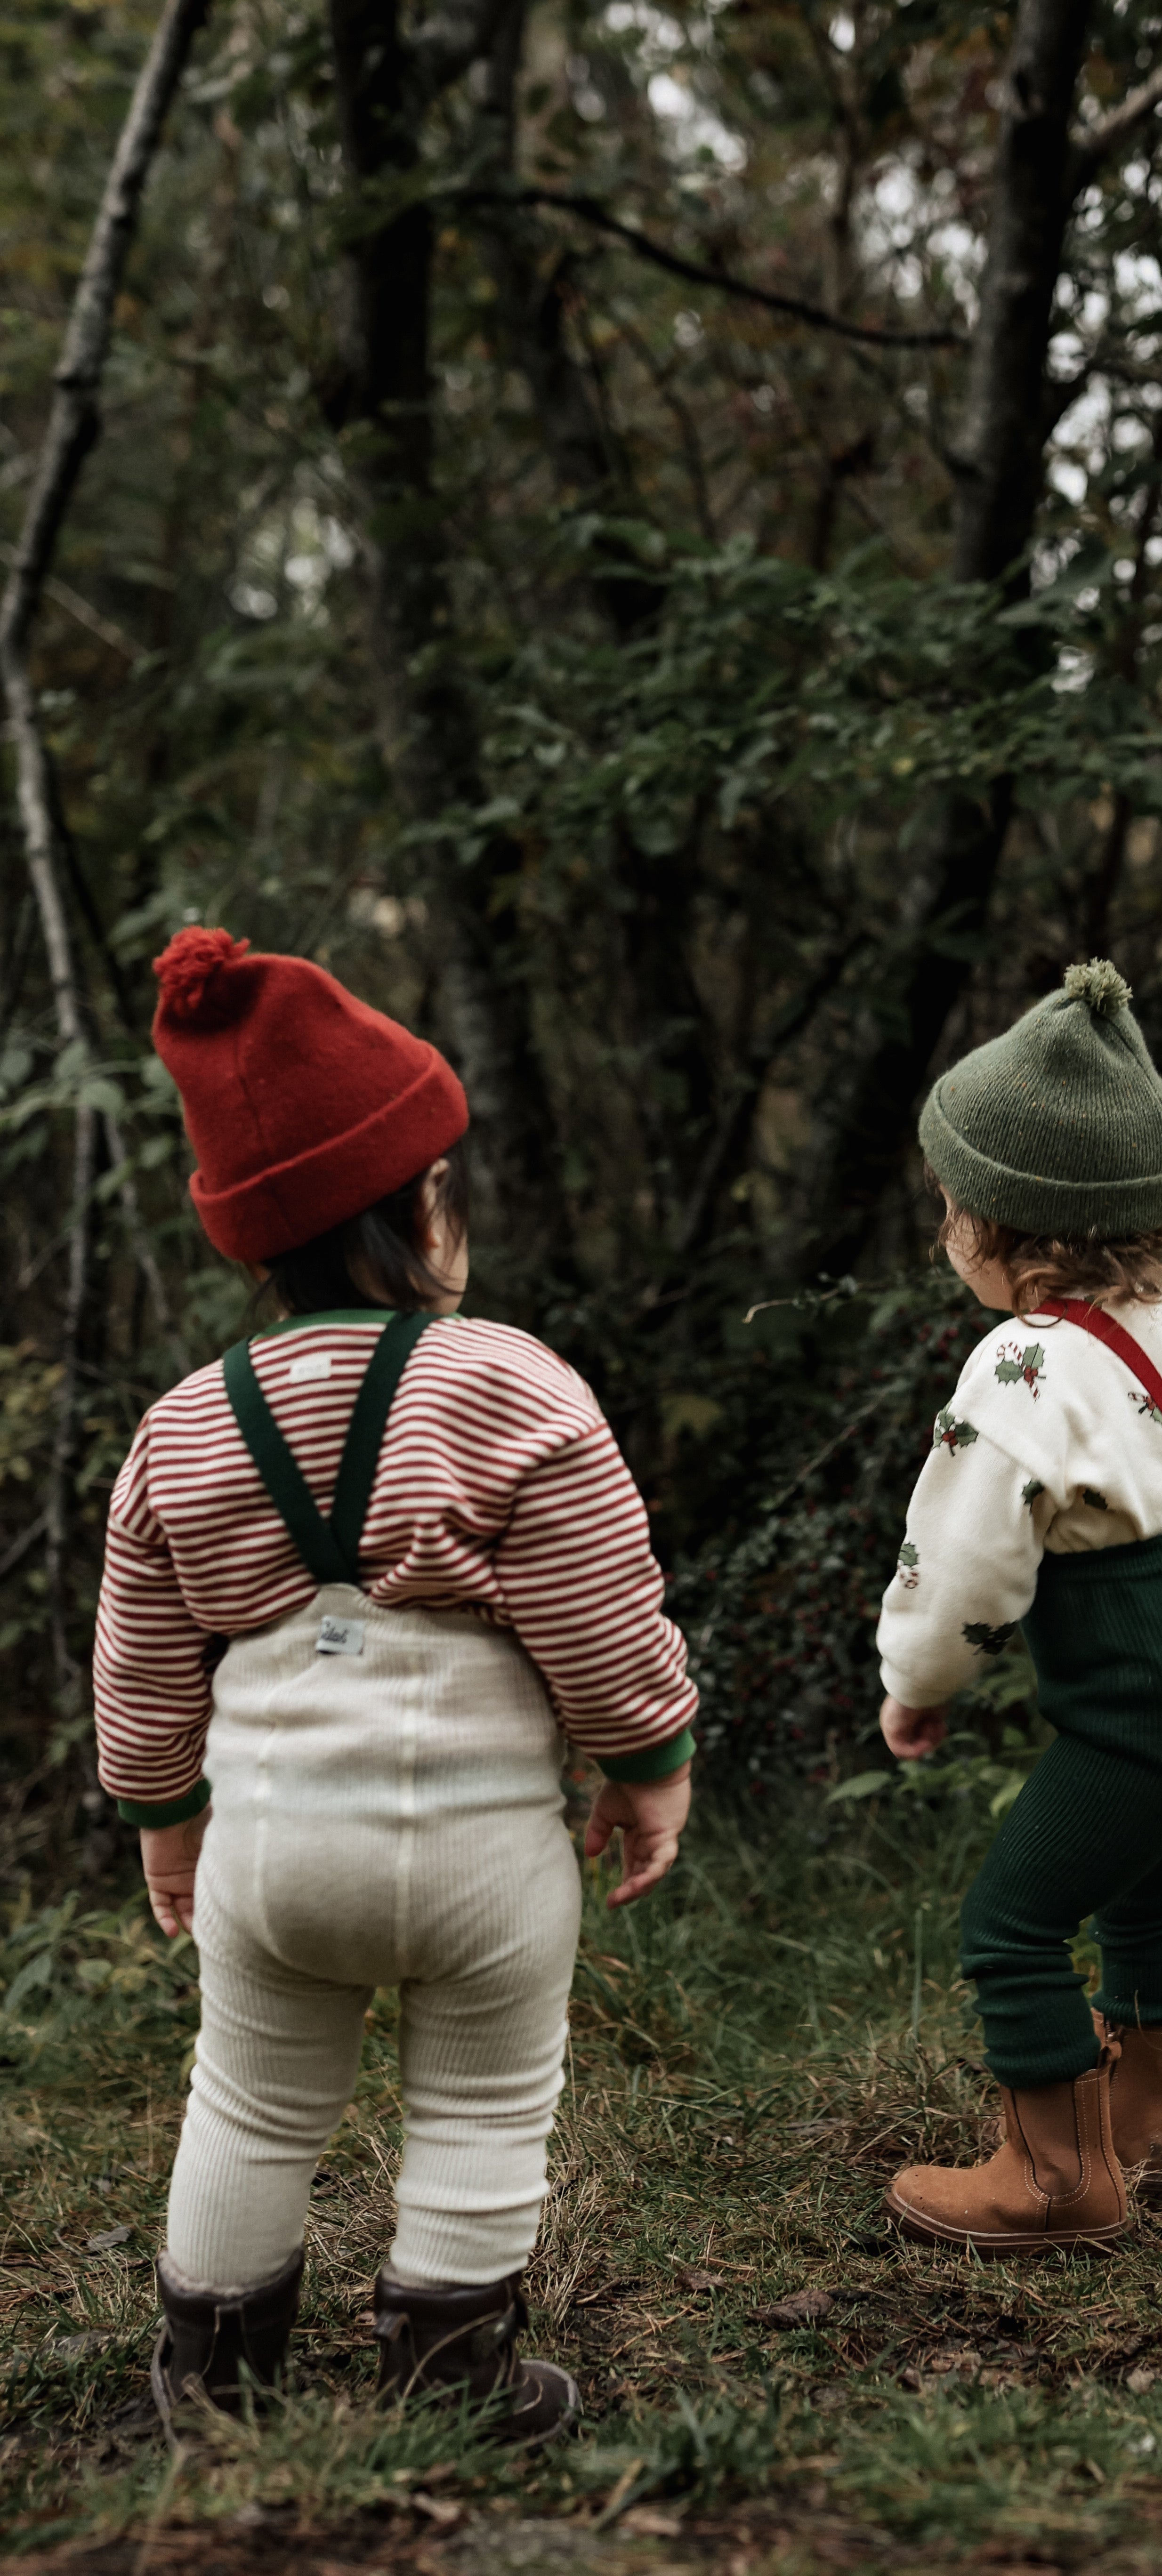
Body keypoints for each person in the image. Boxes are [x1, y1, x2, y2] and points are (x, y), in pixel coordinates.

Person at [95, 927, 696, 2437]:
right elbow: (602, 1611)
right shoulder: (515, 1383)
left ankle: (215, 2383)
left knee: (248, 2097)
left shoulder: (182, 1428)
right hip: (492, 1854)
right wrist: (648, 1762)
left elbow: (145, 1656)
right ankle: (452, 2377)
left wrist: (164, 1815)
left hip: (276, 1849)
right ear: (432, 1210)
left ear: (247, 1241)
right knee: (488, 2101)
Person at [875, 960, 1162, 2254]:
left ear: (1004, 1229)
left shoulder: (1017, 1368)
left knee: (1011, 1919)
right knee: (1141, 1882)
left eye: (949, 1208)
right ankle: (1147, 2129)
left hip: (1149, 1718)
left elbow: (961, 1567)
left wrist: (918, 1683)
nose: (944, 1231)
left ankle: (1055, 2181)